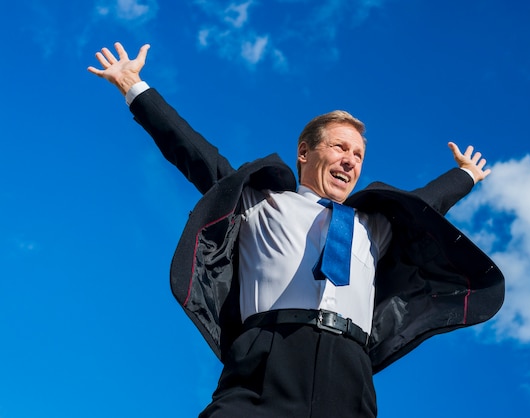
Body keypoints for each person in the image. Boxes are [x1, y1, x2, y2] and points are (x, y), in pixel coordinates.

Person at [88, 42, 504, 418]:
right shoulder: (263, 201)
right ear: (304, 152)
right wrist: (134, 88)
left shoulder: (371, 227)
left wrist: (465, 175)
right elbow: (195, 153)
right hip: (268, 356)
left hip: (350, 370)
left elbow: (425, 204)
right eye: (340, 147)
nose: (350, 160)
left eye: (358, 154)